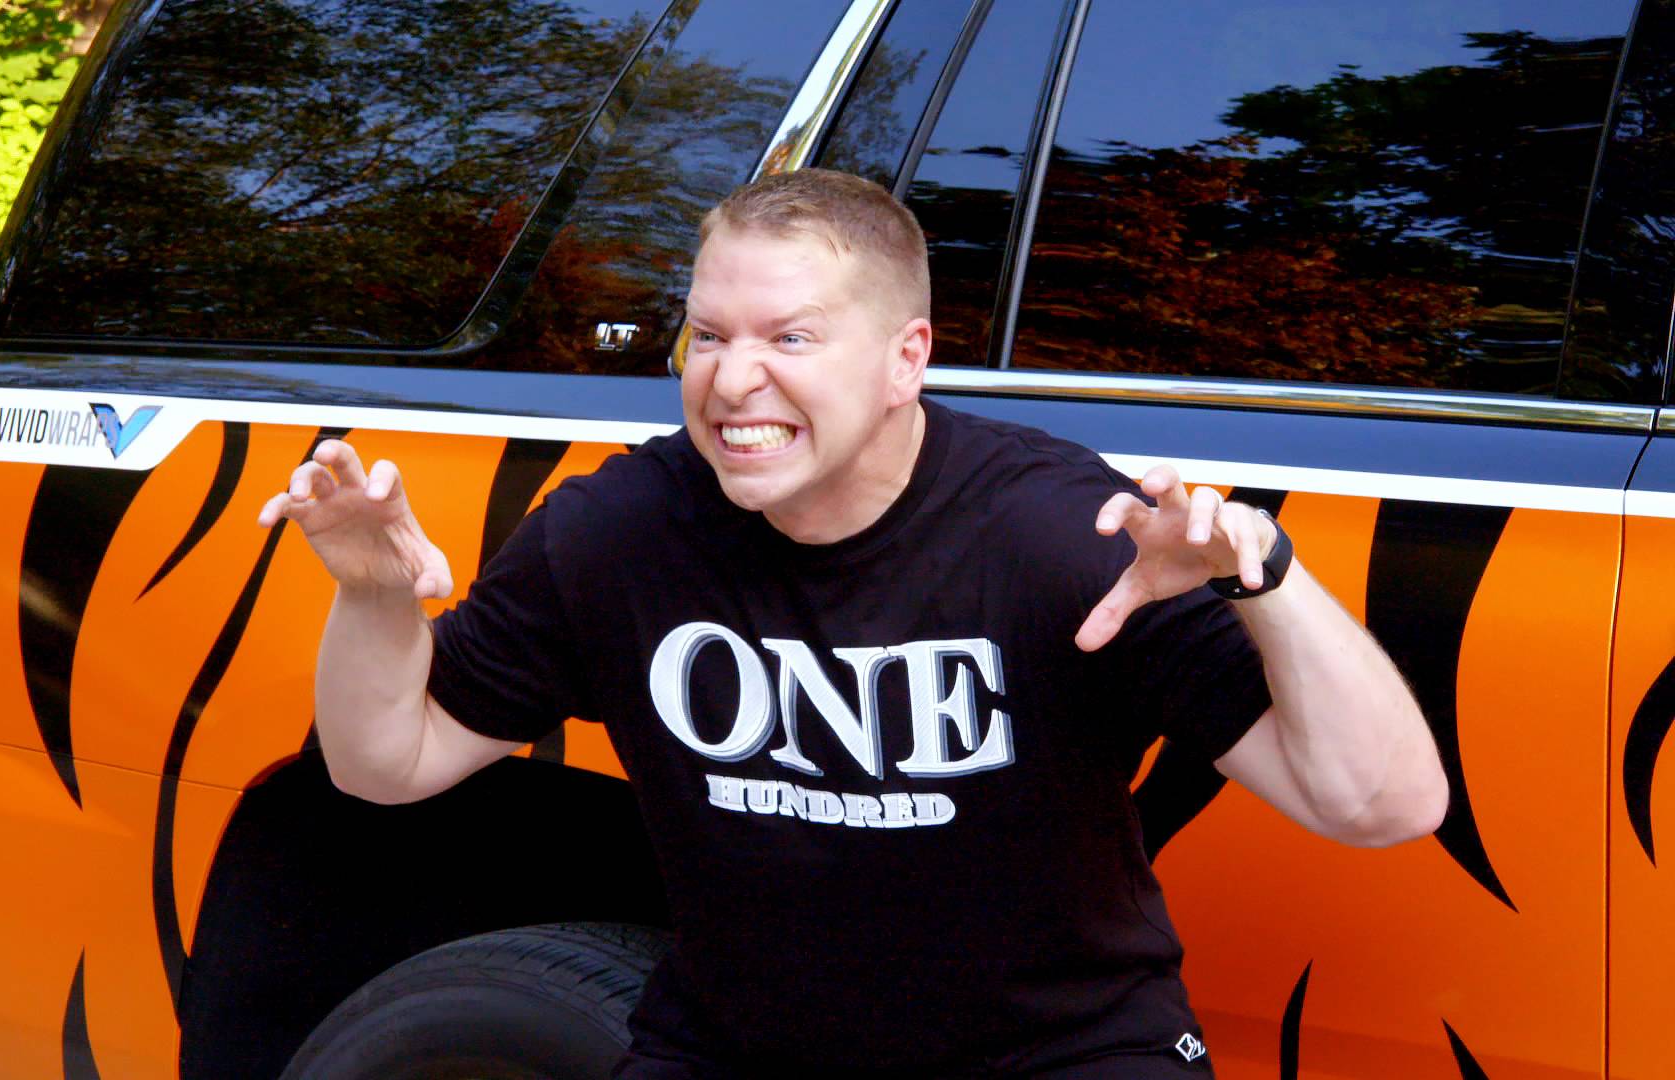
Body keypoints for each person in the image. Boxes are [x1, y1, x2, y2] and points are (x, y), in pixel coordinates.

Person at [256, 169, 1448, 1077]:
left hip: (1060, 1056)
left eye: (791, 338)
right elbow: (384, 767)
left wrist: (1269, 578)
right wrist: (367, 592)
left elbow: (1384, 804)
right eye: (709, 335)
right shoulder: (621, 530)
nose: (731, 381)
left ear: (904, 359)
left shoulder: (1055, 535)